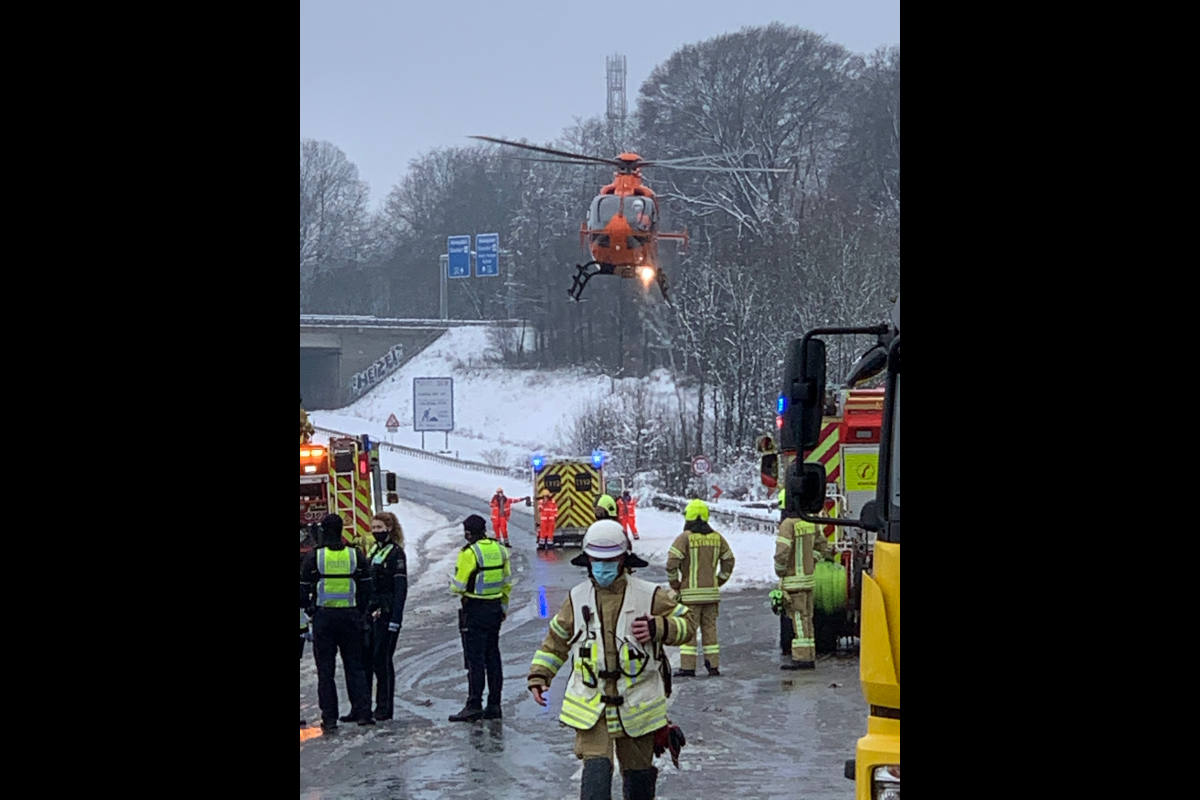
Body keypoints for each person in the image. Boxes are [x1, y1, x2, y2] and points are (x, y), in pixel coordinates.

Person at [527, 519, 694, 800]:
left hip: (637, 704)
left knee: (639, 780)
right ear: (587, 561)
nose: (602, 567)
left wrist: (659, 627)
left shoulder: (649, 595)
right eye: (596, 561)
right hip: (593, 707)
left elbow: (688, 624)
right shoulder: (577, 598)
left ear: (623, 560)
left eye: (610, 561)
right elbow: (556, 640)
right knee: (596, 778)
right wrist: (540, 674)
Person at [299, 513, 374, 729]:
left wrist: (311, 609)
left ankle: (329, 718)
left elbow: (303, 590)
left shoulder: (315, 557)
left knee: (325, 671)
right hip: (350, 617)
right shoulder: (355, 555)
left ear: (322, 531)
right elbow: (367, 587)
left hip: (324, 619)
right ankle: (363, 713)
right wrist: (360, 611)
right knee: (355, 666)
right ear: (342, 530)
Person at [449, 514, 512, 721]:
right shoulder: (500, 549)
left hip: (474, 609)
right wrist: (503, 608)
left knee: (475, 659)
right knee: (493, 657)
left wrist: (452, 584)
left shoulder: (469, 553)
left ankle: (474, 704)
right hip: (494, 608)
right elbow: (507, 583)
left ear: (468, 533)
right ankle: (494, 705)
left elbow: (458, 586)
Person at [665, 499, 735, 677]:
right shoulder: (717, 538)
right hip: (711, 595)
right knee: (710, 630)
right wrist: (719, 580)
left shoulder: (684, 538)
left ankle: (688, 667)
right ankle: (713, 666)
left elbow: (672, 562)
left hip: (690, 596)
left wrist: (675, 583)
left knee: (689, 631)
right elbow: (729, 560)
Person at [775, 509, 833, 670]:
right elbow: (822, 546)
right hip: (808, 580)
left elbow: (782, 553)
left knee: (799, 620)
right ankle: (809, 655)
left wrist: (780, 571)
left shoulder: (788, 525)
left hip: (794, 582)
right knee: (807, 619)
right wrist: (811, 561)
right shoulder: (811, 522)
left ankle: (802, 659)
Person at [364, 511, 408, 721]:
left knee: (382, 659)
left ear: (389, 528)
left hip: (387, 611)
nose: (376, 532)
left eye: (379, 528)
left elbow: (400, 588)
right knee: (369, 659)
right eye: (373, 528)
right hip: (371, 610)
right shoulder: (374, 550)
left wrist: (396, 618)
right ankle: (368, 706)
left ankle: (385, 707)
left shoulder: (396, 553)